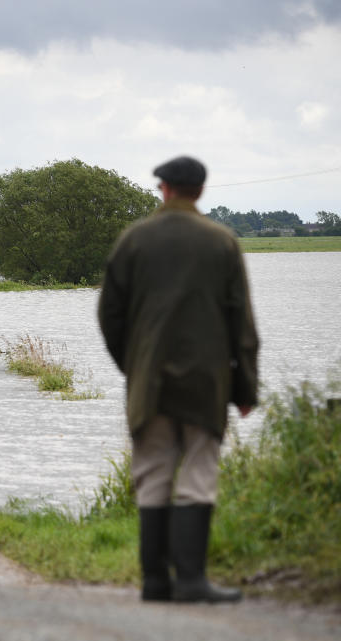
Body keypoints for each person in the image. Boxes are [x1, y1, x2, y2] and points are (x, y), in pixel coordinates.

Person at [98, 156, 259, 603]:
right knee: (199, 473)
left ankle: (154, 582)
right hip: (207, 381)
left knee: (152, 472)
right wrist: (245, 388)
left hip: (148, 380)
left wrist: (133, 364)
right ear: (201, 191)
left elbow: (109, 315)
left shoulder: (134, 240)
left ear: (164, 188)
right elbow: (241, 323)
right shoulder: (222, 242)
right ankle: (190, 580)